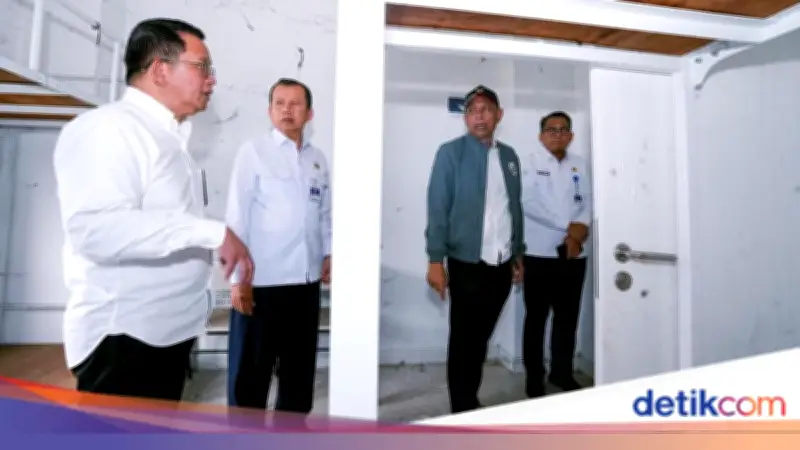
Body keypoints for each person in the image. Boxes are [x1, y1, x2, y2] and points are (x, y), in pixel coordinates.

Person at [52, 18, 254, 402]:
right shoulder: (110, 129)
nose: (211, 80)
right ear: (160, 70)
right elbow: (98, 230)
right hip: (126, 340)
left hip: (162, 337)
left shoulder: (169, 138)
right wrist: (214, 233)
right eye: (202, 67)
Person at [224, 78, 331, 421]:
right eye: (279, 103)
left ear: (309, 113)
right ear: (270, 111)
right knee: (250, 377)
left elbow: (324, 213)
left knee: (298, 376)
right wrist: (238, 280)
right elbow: (236, 217)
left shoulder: (317, 159)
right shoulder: (254, 152)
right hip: (261, 283)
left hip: (305, 283)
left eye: (295, 103)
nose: (287, 110)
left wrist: (328, 254)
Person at [425, 85, 525, 413]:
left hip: (502, 262)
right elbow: (437, 208)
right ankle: (462, 406)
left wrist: (518, 253)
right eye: (472, 111)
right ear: (466, 117)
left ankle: (470, 397)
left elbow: (514, 207)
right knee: (464, 339)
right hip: (466, 261)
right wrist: (435, 259)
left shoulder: (509, 157)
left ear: (499, 115)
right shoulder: (450, 153)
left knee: (479, 338)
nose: (479, 116)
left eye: (486, 109)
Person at [520, 111, 591, 397]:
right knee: (536, 320)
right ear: (541, 136)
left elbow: (589, 201)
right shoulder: (529, 163)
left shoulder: (580, 164)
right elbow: (527, 203)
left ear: (571, 136)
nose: (557, 134)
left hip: (573, 254)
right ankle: (534, 378)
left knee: (567, 319)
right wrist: (567, 226)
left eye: (563, 130)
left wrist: (579, 230)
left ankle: (562, 373)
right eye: (551, 129)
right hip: (538, 254)